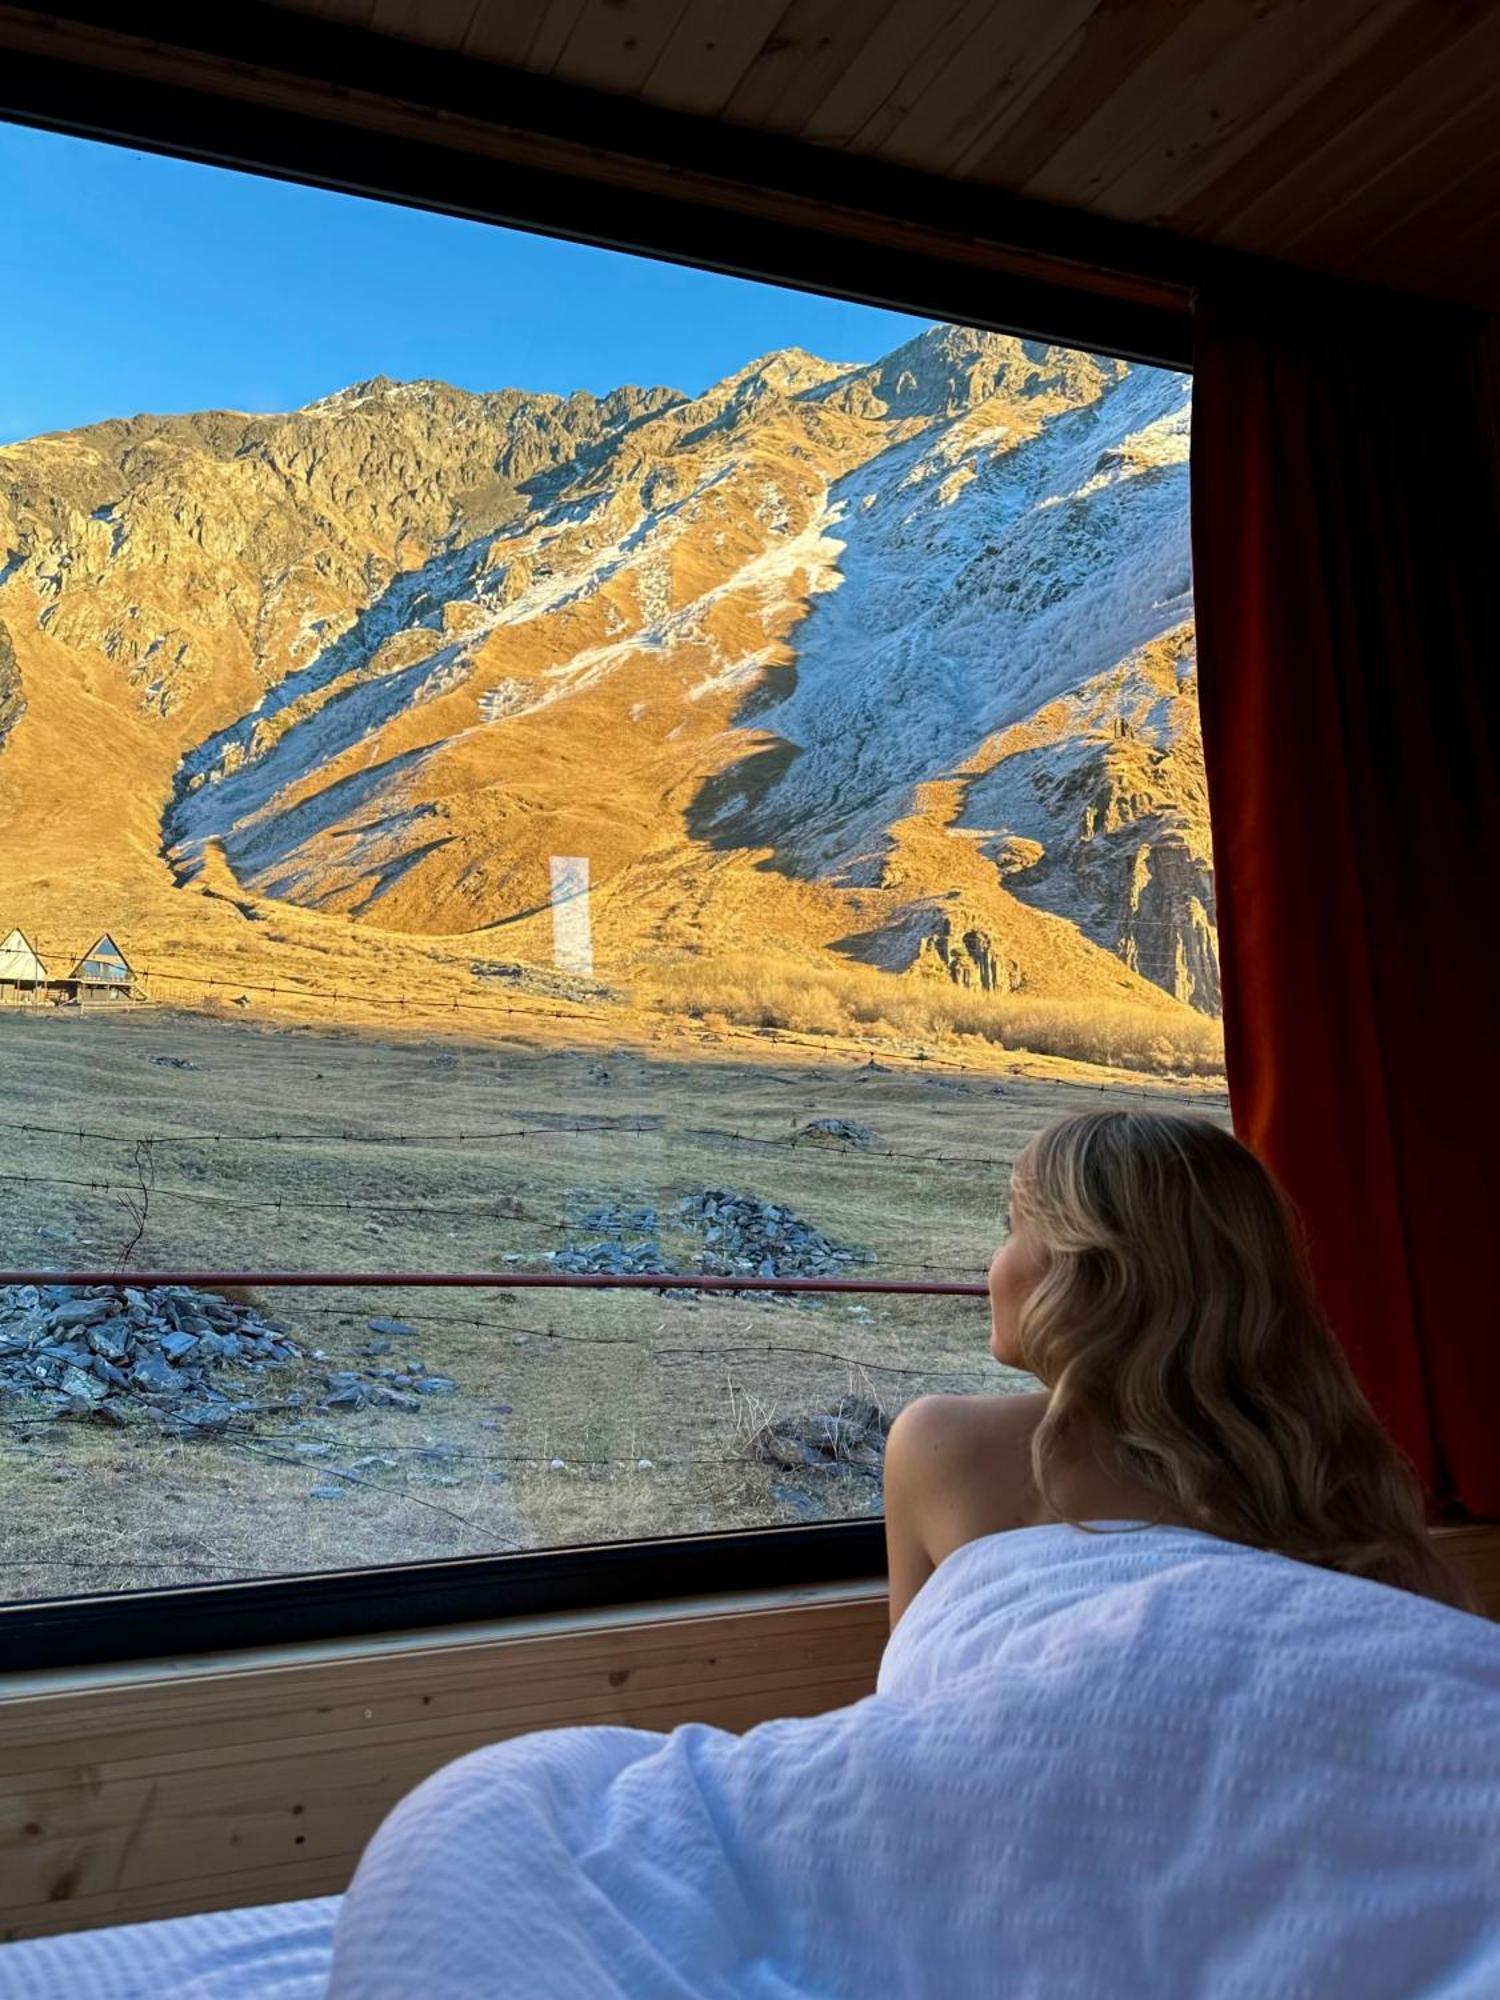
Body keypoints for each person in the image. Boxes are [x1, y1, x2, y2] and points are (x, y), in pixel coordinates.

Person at [884, 1108, 1475, 1627]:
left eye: (1011, 1227)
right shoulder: (1325, 1466)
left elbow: (916, 1687)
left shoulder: (943, 1447)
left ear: (1090, 1274)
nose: (996, 1259)